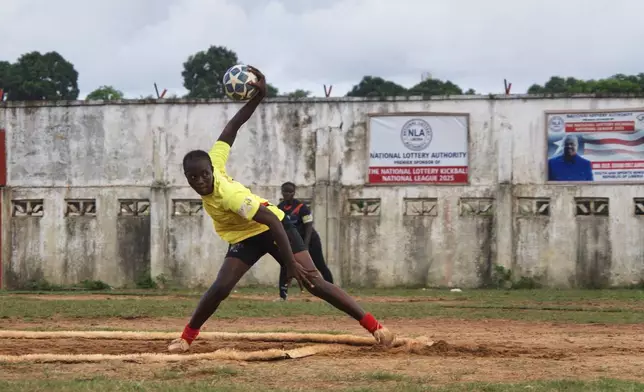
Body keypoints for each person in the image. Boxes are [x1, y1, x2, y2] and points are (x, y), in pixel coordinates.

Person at [168, 66, 394, 353]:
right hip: (244, 236)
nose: (200, 181)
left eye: (203, 175)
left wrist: (289, 263)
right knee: (221, 287)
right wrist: (257, 99)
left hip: (274, 226)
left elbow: (271, 222)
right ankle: (185, 338)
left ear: (212, 170)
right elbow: (231, 128)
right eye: (193, 178)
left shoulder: (229, 195)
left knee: (314, 283)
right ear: (188, 177)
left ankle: (377, 328)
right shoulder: (211, 161)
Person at [277, 182, 333, 300]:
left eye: (290, 192)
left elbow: (308, 226)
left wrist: (306, 245)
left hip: (310, 241)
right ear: (282, 192)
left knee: (320, 265)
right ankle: (283, 295)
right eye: (285, 191)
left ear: (294, 193)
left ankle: (332, 292)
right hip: (293, 242)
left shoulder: (301, 207)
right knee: (286, 265)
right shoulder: (280, 208)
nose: (287, 194)